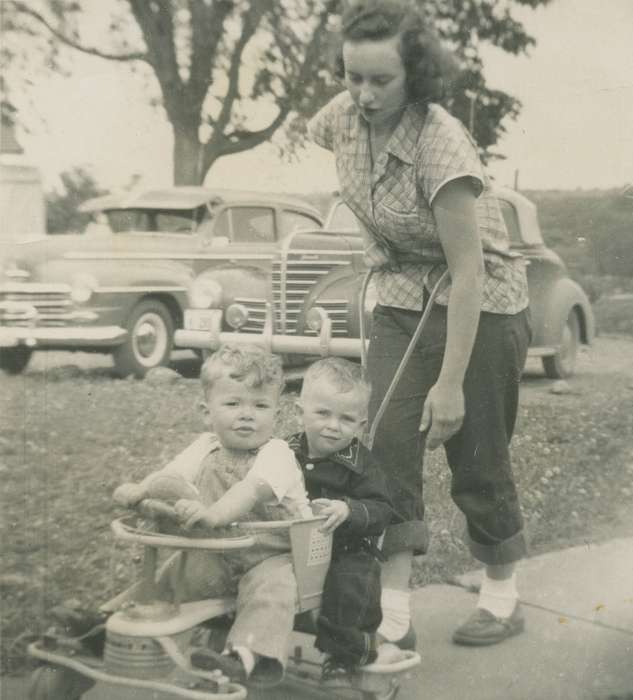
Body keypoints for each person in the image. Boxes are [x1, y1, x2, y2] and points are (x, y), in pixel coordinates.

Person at [307, 0, 532, 650]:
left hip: (481, 301)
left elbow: (466, 273)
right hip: (403, 291)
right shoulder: (340, 121)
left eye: (382, 81)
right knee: (382, 447)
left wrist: (452, 385)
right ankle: (393, 615)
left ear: (417, 75)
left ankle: (501, 594)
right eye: (353, 77)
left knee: (476, 453)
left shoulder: (441, 143)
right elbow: (331, 150)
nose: (364, 94)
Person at [112, 343, 312, 687]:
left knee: (273, 589)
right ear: (207, 412)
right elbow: (171, 476)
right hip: (218, 552)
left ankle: (243, 658)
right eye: (233, 403)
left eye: (260, 405)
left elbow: (250, 491)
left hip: (272, 554)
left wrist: (213, 514)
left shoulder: (277, 453)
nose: (247, 414)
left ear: (276, 415)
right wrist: (142, 489)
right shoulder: (205, 446)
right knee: (167, 577)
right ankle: (104, 627)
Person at [287, 357, 394, 679]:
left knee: (349, 587)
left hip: (345, 549)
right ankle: (244, 642)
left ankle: (346, 656)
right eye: (322, 413)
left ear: (361, 425)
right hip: (291, 545)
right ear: (299, 411)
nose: (333, 425)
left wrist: (349, 509)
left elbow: (381, 509)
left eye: (346, 418)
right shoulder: (283, 451)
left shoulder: (362, 465)